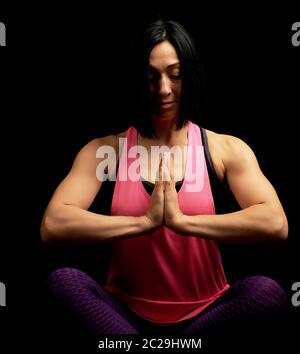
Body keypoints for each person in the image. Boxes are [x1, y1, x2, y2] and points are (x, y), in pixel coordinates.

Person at [40, 18, 289, 338]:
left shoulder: (225, 149)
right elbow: (53, 224)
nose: (163, 89)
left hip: (204, 317)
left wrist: (182, 222)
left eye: (175, 75)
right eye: (151, 76)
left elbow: (275, 222)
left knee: (265, 292)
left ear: (191, 75)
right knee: (63, 282)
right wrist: (144, 222)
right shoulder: (105, 151)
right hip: (124, 317)